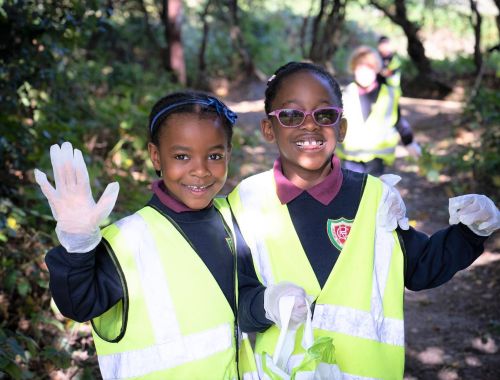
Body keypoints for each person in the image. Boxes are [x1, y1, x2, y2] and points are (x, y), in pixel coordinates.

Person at [228, 61, 500, 379]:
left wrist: (470, 231)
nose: (310, 125)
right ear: (268, 129)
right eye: (290, 115)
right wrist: (265, 304)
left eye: (324, 114)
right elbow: (238, 299)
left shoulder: (375, 198)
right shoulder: (247, 201)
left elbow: (419, 268)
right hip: (281, 372)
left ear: (341, 128)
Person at [34, 92, 258, 379]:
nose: (200, 170)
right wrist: (78, 245)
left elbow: (246, 300)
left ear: (229, 153)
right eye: (182, 156)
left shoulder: (233, 220)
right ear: (155, 156)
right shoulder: (128, 240)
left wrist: (271, 304)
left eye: (214, 156)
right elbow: (79, 305)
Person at [337, 45, 421, 176]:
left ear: (376, 69)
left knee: (373, 194)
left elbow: (398, 120)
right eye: (360, 68)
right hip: (350, 159)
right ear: (353, 69)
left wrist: (409, 142)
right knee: (353, 194)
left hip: (377, 159)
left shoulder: (389, 94)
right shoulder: (344, 95)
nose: (364, 72)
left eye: (369, 68)